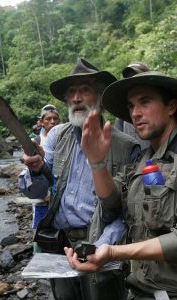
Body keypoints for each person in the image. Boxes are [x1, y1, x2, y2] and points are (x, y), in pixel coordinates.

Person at [18, 58, 140, 300]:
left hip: (102, 244)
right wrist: (35, 169)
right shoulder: (56, 135)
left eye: (84, 90)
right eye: (71, 92)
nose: (76, 98)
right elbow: (35, 192)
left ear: (101, 97)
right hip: (60, 244)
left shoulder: (127, 147)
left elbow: (128, 213)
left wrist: (101, 248)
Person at [65, 71, 177, 300]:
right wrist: (96, 163)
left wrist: (114, 252)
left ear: (171, 106)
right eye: (131, 106)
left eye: (145, 102)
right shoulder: (146, 161)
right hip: (142, 290)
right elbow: (113, 201)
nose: (135, 113)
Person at [30, 104, 60, 253]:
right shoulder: (35, 140)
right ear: (40, 122)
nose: (52, 121)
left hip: (59, 196)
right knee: (39, 233)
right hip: (41, 199)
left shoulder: (63, 138)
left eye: (55, 118)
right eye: (48, 119)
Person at [114, 62, 150, 150]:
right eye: (128, 78)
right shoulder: (123, 115)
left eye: (137, 77)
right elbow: (117, 140)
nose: (135, 114)